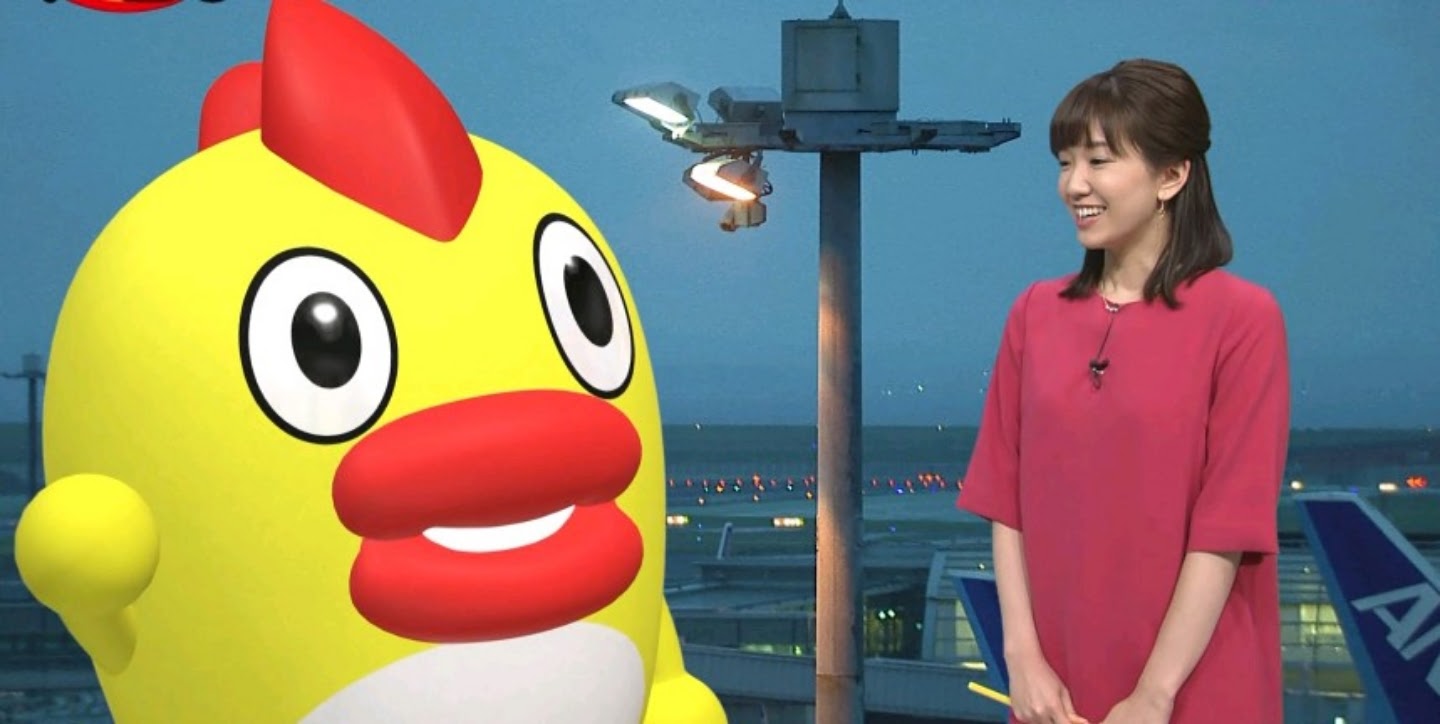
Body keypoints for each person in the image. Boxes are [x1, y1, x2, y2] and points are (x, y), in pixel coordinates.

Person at [956, 58, 1289, 724]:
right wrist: (1023, 660)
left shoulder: (1243, 319)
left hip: (1193, 686)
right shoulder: (1034, 313)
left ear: (1172, 175)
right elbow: (1005, 501)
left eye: (1100, 161)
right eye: (1064, 162)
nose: (1073, 184)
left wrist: (1153, 695)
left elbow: (1226, 527)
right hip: (1054, 692)